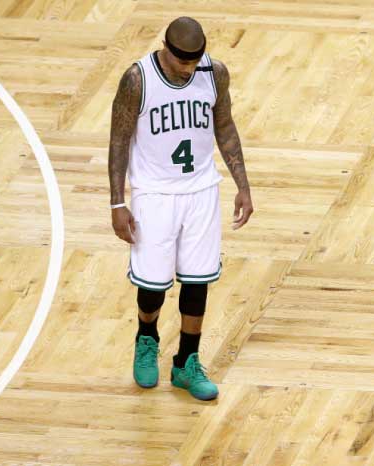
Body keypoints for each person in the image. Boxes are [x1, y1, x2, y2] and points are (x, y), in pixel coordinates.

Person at [107, 17, 253, 401]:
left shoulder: (214, 73)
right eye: (182, 59)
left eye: (195, 59)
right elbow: (119, 141)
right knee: (152, 285)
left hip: (201, 190)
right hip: (154, 193)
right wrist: (117, 202)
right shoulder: (137, 79)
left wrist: (243, 185)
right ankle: (146, 337)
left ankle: (187, 362)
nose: (189, 66)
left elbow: (225, 127)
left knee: (197, 279)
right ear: (166, 49)